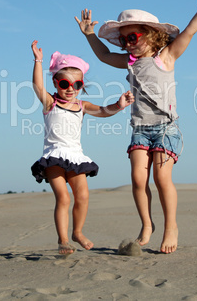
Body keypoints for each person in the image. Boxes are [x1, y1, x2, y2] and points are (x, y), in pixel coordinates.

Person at [75, 0, 197, 254]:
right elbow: (105, 55)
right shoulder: (129, 61)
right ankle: (147, 224)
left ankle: (171, 227)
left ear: (151, 35)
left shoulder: (166, 56)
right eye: (124, 39)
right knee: (138, 180)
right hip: (140, 129)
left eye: (133, 37)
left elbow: (189, 33)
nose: (127, 43)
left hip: (166, 128)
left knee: (161, 178)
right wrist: (89, 34)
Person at [30, 41, 134, 255]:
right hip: (53, 156)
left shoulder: (82, 106)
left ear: (82, 85)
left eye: (76, 85)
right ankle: (63, 240)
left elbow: (104, 111)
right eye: (64, 84)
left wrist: (119, 104)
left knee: (83, 196)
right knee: (64, 198)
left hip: (76, 157)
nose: (70, 89)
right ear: (56, 83)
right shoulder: (50, 103)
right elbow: (37, 87)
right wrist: (38, 61)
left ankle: (77, 232)